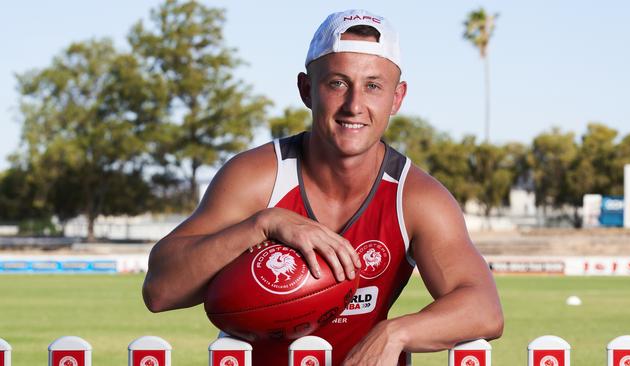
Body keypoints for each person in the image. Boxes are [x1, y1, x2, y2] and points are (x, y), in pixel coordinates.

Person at [142, 9, 503, 366]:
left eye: (373, 86)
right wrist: (262, 225)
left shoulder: (415, 197)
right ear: (306, 89)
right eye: (337, 83)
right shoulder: (257, 177)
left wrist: (395, 333)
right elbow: (159, 291)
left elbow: (485, 309)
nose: (354, 105)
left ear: (396, 98)